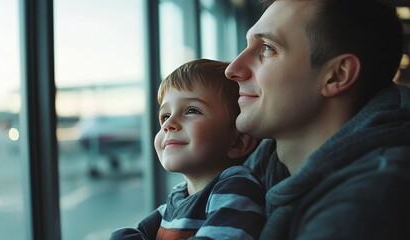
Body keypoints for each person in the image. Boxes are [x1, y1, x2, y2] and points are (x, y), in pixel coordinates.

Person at [225, 0, 410, 239]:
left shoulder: (371, 200)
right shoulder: (257, 167)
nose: (233, 68)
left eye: (267, 48)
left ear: (337, 76)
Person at [110, 59, 265, 240]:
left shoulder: (237, 186)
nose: (168, 124)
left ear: (237, 143)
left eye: (191, 110)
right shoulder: (178, 198)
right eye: (165, 116)